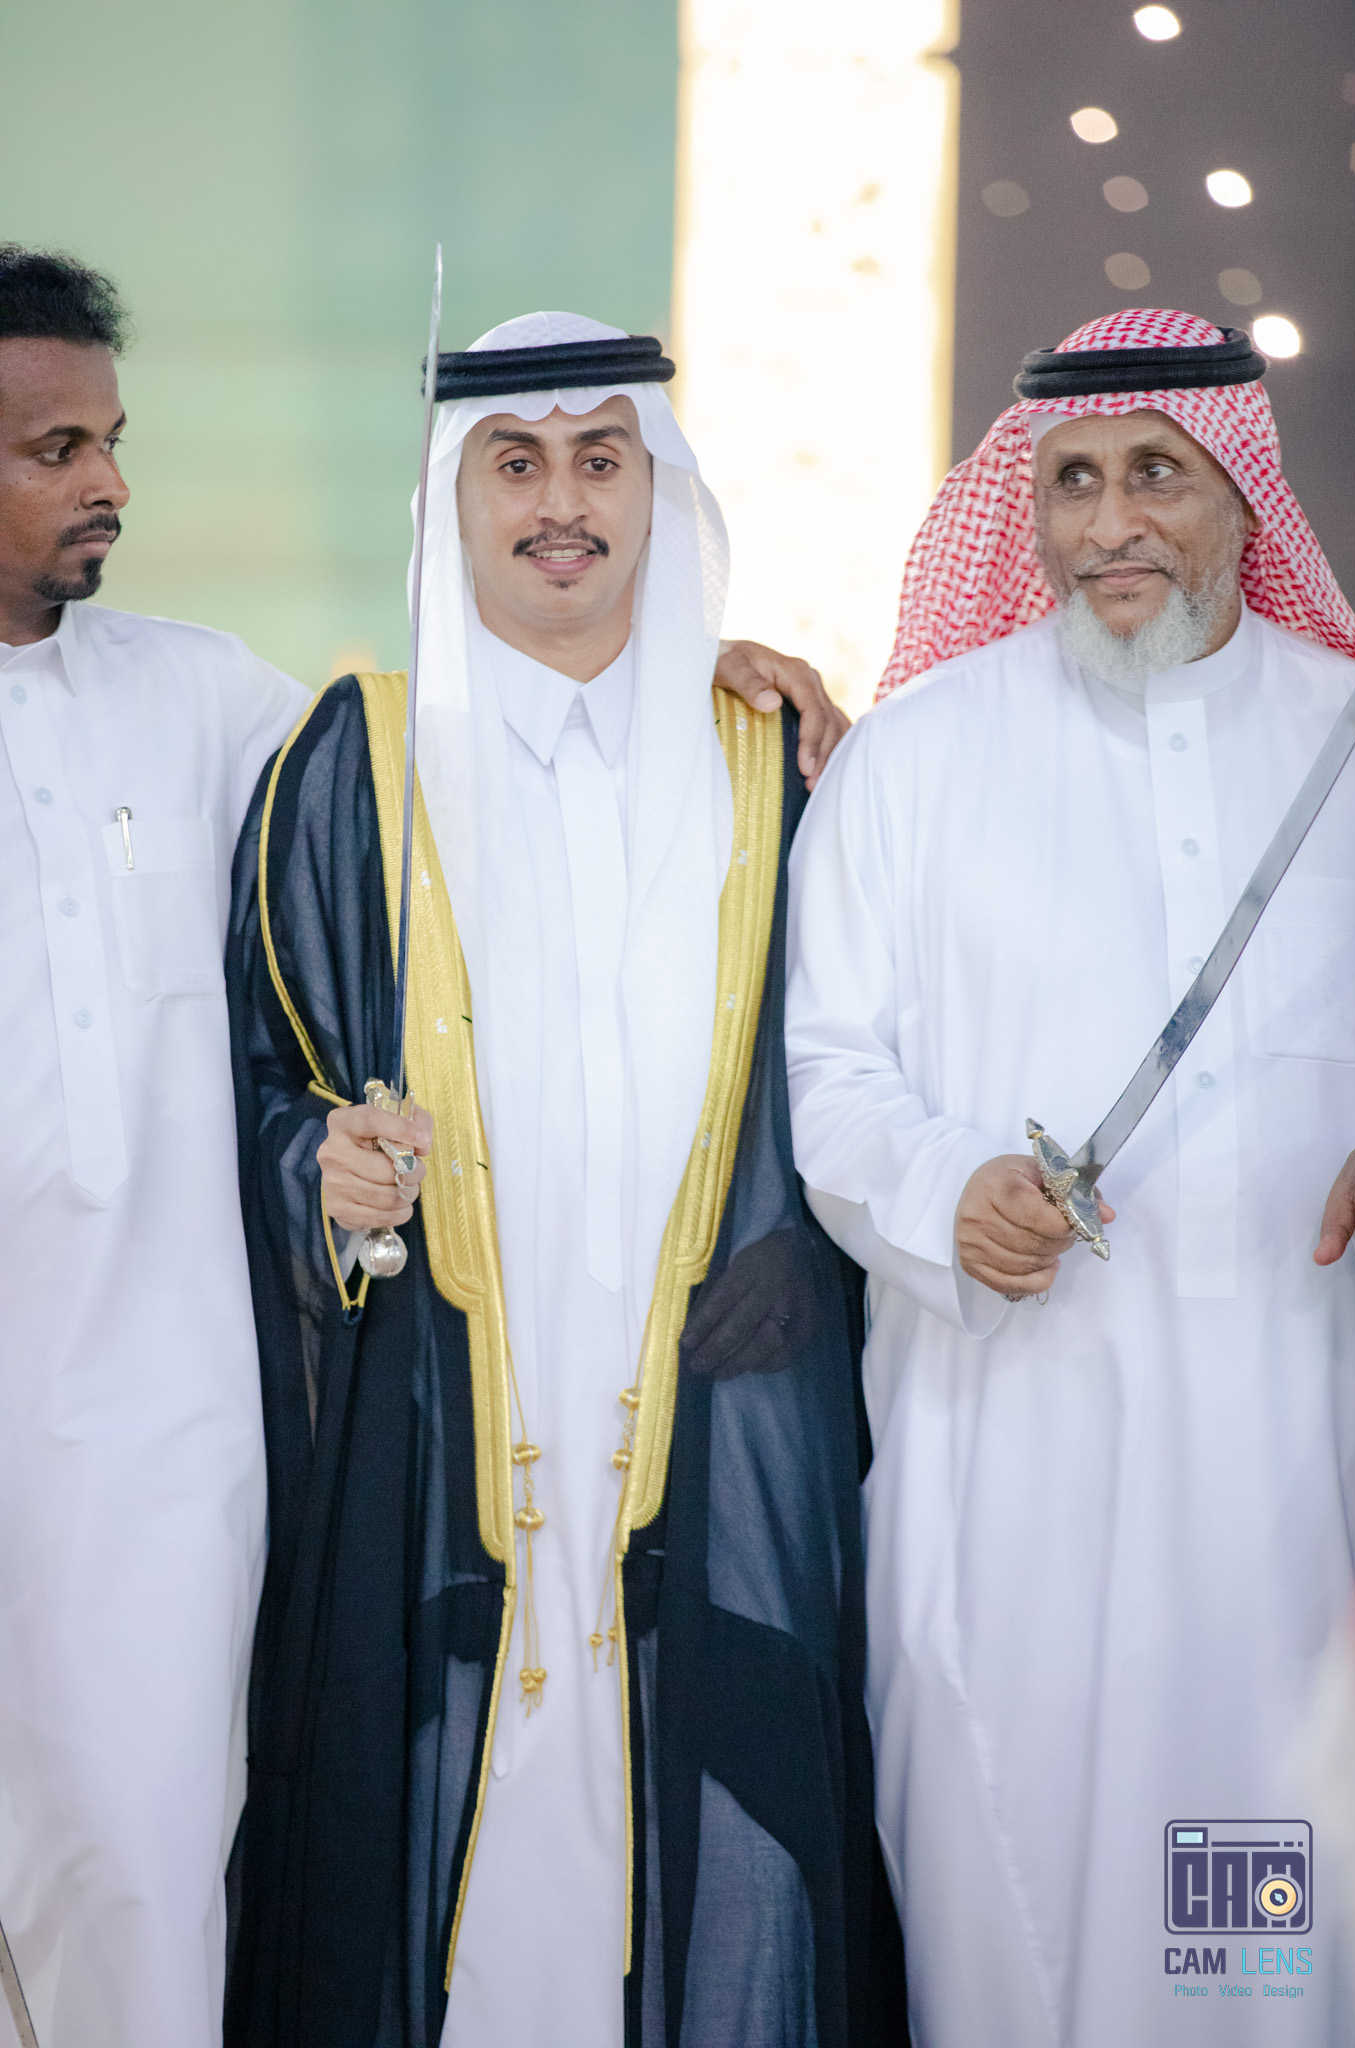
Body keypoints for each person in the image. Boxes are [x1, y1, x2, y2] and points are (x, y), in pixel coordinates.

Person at [224, 311, 900, 2048]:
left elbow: (856, 1077)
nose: (560, 506)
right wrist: (325, 1176)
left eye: (603, 460)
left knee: (719, 1815)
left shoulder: (776, 759)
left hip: (713, 1413)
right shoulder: (352, 758)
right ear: (451, 504)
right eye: (513, 465)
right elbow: (259, 1084)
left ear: (660, 489)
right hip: (445, 1408)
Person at [785, 308, 1355, 2047]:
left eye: (1155, 475)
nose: (1110, 523)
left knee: (1254, 1937)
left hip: (1292, 1468)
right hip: (1007, 1462)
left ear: (1242, 495)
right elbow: (830, 1073)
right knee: (1008, 1921)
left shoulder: (1347, 737)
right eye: (1071, 482)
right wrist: (944, 1188)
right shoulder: (912, 759)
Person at [0, 245, 309, 2048]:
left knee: (140, 1896)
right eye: (56, 450)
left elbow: (447, 799)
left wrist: (698, 684)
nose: (108, 481)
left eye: (111, 441)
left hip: (150, 1448)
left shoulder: (207, 702)